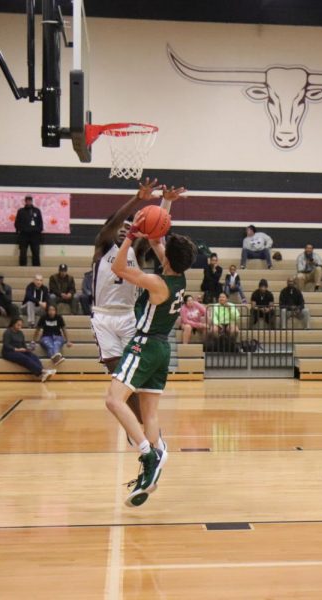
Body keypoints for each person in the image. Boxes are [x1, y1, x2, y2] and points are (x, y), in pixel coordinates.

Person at [104, 218, 197, 508]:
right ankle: (152, 468)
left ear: (167, 258)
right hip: (162, 348)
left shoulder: (158, 282)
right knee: (150, 415)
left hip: (143, 345)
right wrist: (161, 211)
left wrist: (130, 237)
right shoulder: (179, 278)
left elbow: (118, 269)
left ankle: (148, 453)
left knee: (114, 401)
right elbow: (158, 240)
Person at [91, 178, 184, 431]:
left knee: (134, 372)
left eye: (128, 226)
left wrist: (166, 202)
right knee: (115, 369)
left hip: (130, 316)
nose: (124, 229)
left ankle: (142, 423)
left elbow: (157, 228)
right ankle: (139, 421)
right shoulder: (103, 246)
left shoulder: (136, 250)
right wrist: (138, 199)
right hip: (103, 316)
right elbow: (113, 224)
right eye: (119, 226)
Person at [2, 317, 55, 381]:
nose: (19, 327)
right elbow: (6, 345)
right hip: (9, 352)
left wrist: (27, 349)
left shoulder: (20, 333)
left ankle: (42, 372)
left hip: (20, 350)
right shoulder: (7, 332)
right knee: (24, 358)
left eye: (21, 325)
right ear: (13, 324)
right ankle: (42, 371)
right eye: (18, 325)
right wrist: (16, 349)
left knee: (34, 356)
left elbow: (23, 344)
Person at [15, 195, 43, 267]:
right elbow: (17, 223)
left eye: (30, 200)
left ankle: (36, 268)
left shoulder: (37, 210)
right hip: (24, 235)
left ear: (32, 201)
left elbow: (40, 223)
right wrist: (21, 230)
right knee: (23, 253)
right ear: (25, 201)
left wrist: (37, 230)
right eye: (27, 200)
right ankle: (22, 267)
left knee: (36, 252)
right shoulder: (21, 211)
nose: (28, 202)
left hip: (35, 236)